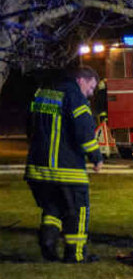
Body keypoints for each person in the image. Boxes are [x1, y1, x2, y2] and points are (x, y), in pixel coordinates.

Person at [25, 66, 104, 263]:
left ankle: (48, 244)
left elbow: (29, 125)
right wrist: (96, 157)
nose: (91, 93)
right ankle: (75, 254)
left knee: (53, 208)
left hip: (38, 169)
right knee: (78, 210)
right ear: (81, 81)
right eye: (91, 87)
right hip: (67, 170)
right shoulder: (75, 97)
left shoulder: (41, 94)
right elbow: (84, 131)